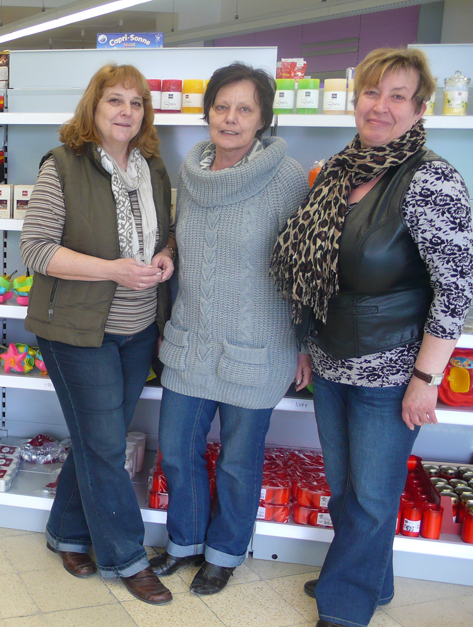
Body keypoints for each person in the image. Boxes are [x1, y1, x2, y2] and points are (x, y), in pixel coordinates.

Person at [270, 48, 473, 627]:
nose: (379, 107)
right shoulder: (340, 171)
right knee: (347, 490)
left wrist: (427, 380)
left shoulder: (431, 178)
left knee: (372, 497)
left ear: (419, 108)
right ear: (355, 98)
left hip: (392, 370)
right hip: (334, 361)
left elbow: (454, 289)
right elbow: (319, 274)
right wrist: (307, 343)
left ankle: (345, 606)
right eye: (370, 92)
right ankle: (369, 579)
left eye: (397, 96)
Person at [147, 63, 311, 595]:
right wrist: (168, 251)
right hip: (192, 339)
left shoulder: (288, 177)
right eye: (222, 106)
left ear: (263, 117)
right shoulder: (192, 172)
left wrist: (306, 342)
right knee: (176, 448)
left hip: (258, 346)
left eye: (245, 108)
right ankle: (186, 541)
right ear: (207, 111)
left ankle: (224, 553)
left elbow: (308, 266)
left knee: (240, 462)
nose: (231, 118)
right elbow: (178, 235)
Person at [19, 63, 176, 605]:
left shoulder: (153, 166)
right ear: (94, 106)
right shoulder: (62, 165)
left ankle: (67, 533)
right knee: (107, 445)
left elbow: (169, 231)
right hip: (77, 331)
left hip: (137, 330)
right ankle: (127, 559)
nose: (126, 111)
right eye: (115, 100)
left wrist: (164, 256)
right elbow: (37, 249)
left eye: (135, 102)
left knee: (96, 442)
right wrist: (113, 268)